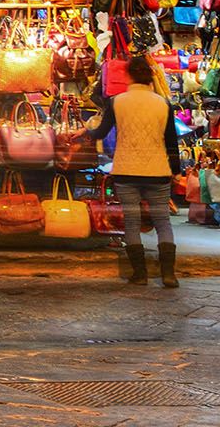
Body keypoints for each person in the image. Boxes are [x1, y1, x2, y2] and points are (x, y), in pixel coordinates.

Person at [90, 54, 185, 287]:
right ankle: (168, 275)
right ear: (151, 76)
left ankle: (140, 275)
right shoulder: (163, 104)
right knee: (163, 221)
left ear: (128, 75)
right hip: (157, 171)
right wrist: (175, 170)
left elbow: (100, 133)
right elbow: (171, 142)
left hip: (126, 171)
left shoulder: (116, 101)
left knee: (131, 222)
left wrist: (86, 131)